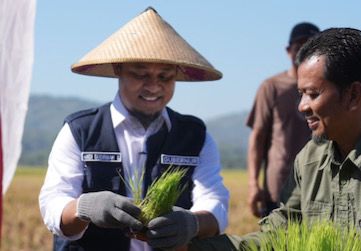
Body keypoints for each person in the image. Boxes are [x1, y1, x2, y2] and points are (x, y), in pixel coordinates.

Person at [38, 7, 229, 251]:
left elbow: (215, 202)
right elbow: (53, 204)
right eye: (140, 74)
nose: (153, 87)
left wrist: (193, 223)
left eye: (165, 77)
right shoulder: (80, 131)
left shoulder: (195, 136)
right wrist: (83, 208)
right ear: (118, 69)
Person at [188, 27, 361, 250]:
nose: (302, 106)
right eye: (301, 94)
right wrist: (194, 248)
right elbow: (280, 235)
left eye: (313, 94)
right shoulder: (309, 161)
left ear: (353, 95)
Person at [246, 22, 319, 217]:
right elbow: (258, 137)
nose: (304, 52)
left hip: (319, 188)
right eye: (299, 47)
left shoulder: (329, 90)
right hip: (278, 188)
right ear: (288, 51)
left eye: (311, 47)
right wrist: (253, 184)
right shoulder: (272, 87)